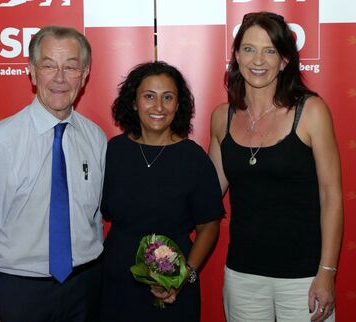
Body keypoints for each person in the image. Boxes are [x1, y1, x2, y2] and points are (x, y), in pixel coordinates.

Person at [0, 25, 106, 322]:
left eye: (71, 67)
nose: (60, 78)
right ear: (32, 72)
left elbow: (95, 219)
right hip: (19, 293)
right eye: (49, 65)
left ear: (85, 73)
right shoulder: (0, 141)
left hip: (86, 289)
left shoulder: (96, 138)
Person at [209, 12, 343, 322]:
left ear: (284, 60)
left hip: (304, 278)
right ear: (237, 56)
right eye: (249, 49)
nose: (259, 60)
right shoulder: (221, 117)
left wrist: (326, 272)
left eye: (270, 50)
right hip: (242, 276)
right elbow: (209, 193)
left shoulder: (310, 111)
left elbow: (331, 196)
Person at [100, 61, 224, 322]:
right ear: (133, 102)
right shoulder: (113, 152)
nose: (158, 107)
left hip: (173, 288)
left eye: (168, 97)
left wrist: (184, 276)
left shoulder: (193, 158)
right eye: (149, 97)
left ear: (178, 105)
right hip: (116, 286)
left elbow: (209, 226)